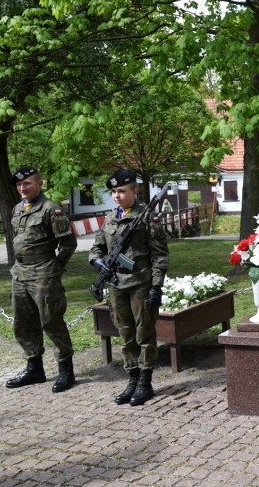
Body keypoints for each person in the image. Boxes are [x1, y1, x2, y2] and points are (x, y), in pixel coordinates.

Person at [89, 169, 169, 406]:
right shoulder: (110, 218)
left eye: (122, 191)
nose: (117, 196)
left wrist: (156, 287)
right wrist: (98, 262)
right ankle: (132, 378)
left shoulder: (147, 218)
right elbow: (96, 248)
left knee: (144, 333)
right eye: (113, 192)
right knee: (125, 334)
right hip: (116, 284)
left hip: (140, 285)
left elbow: (160, 256)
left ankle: (145, 381)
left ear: (134, 191)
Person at [6, 166, 78, 393]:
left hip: (43, 273)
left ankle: (66, 370)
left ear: (39, 183)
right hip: (20, 272)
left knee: (51, 321)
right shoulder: (17, 209)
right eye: (19, 185)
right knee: (23, 322)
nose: (22, 188)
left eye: (26, 183)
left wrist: (55, 268)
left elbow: (68, 243)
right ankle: (34, 368)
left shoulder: (51, 209)